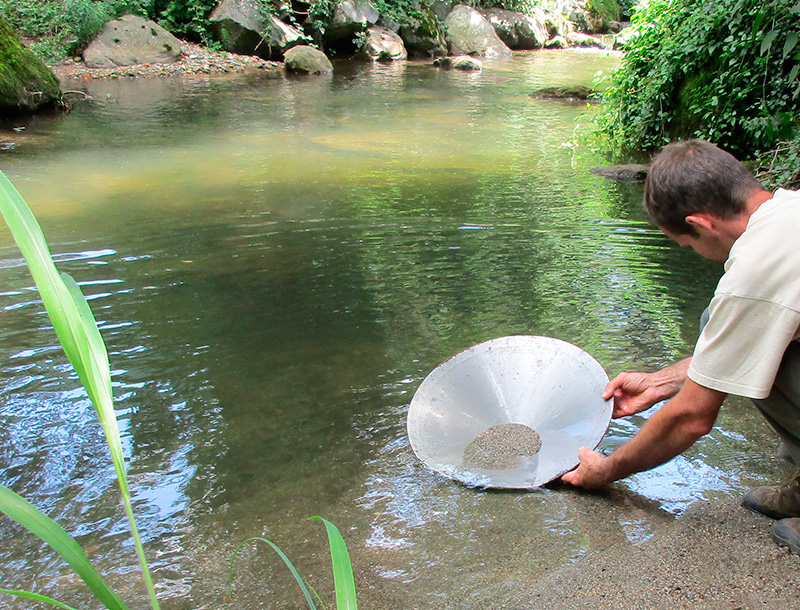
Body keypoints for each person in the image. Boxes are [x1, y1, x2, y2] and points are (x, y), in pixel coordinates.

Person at [561, 138, 800, 554]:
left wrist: (607, 470)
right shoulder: (788, 211)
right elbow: (740, 342)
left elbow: (692, 419)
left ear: (702, 223)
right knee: (727, 326)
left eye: (689, 245)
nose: (701, 256)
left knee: (721, 319)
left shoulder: (757, 268)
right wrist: (661, 382)